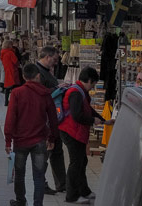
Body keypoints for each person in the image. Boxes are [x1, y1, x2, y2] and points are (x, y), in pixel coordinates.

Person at [4, 64, 59, 206]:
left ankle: (21, 201)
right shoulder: (45, 94)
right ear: (38, 76)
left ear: (23, 77)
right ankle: (37, 203)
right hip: (40, 140)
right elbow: (53, 118)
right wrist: (52, 137)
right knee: (39, 176)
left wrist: (8, 141)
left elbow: (10, 118)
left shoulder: (17, 93)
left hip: (20, 141)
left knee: (20, 174)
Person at [59, 67, 108, 204]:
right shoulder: (76, 92)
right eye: (93, 84)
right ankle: (72, 196)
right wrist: (93, 120)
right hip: (71, 132)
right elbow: (77, 115)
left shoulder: (80, 90)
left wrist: (103, 120)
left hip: (75, 131)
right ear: (89, 80)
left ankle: (84, 191)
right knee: (76, 163)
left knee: (82, 161)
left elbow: (88, 109)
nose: (93, 87)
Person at [35, 46, 67, 195]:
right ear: (47, 57)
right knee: (46, 151)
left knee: (56, 150)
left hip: (54, 118)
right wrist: (57, 88)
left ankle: (62, 183)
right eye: (54, 59)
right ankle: (41, 182)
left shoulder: (46, 71)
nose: (56, 63)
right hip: (45, 119)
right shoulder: (39, 73)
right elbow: (38, 94)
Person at [1, 40, 22, 107]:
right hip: (13, 71)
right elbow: (15, 61)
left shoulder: (3, 52)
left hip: (7, 70)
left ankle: (6, 101)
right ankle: (15, 100)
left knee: (8, 87)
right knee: (15, 87)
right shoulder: (10, 53)